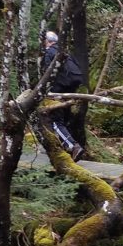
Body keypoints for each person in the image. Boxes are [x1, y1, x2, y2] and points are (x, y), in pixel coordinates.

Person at [42, 30, 85, 160]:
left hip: (57, 91)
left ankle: (73, 146)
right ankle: (68, 147)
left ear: (47, 41)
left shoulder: (50, 52)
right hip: (70, 90)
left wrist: (48, 92)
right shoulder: (65, 53)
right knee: (64, 120)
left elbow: (47, 74)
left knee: (55, 121)